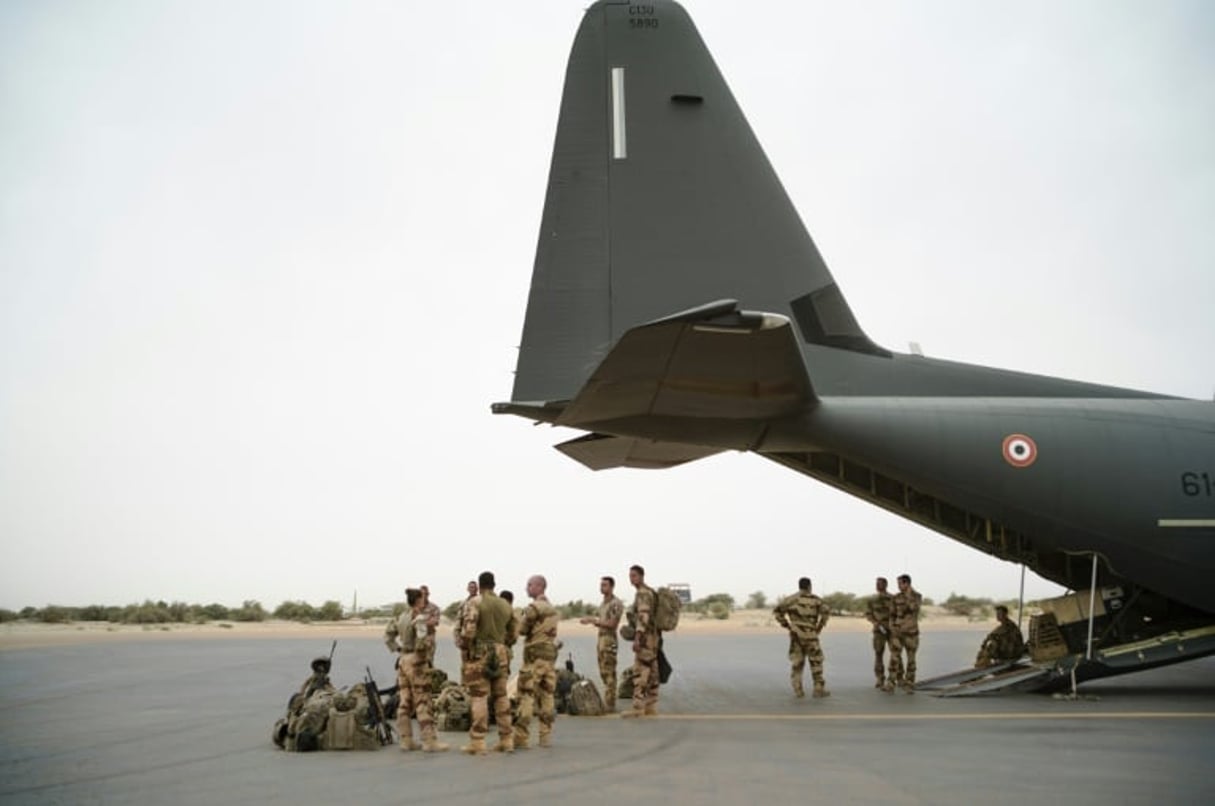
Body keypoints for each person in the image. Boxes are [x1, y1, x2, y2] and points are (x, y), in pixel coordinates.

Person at [457, 571, 517, 754]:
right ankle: (506, 739)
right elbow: (513, 634)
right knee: (501, 696)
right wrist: (501, 644)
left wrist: (466, 648)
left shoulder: (474, 603)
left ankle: (478, 742)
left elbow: (468, 631)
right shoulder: (505, 605)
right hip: (500, 653)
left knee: (479, 696)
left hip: (479, 653)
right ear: (494, 584)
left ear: (480, 585)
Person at [387, 588, 449, 752]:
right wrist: (423, 656)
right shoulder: (419, 618)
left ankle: (406, 740)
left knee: (405, 701)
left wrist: (398, 649)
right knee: (423, 700)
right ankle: (429, 741)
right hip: (416, 661)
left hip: (403, 660)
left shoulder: (401, 617)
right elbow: (422, 641)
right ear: (419, 601)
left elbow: (388, 635)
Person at [514, 575, 559, 749]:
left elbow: (523, 629)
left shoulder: (534, 608)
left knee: (526, 695)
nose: (527, 588)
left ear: (539, 587)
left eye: (529, 585)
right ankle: (545, 737)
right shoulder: (553, 609)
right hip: (549, 657)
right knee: (547, 696)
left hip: (534, 658)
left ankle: (521, 737)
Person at [772, 577, 831, 698]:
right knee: (816, 661)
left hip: (796, 635)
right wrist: (820, 626)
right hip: (811, 635)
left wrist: (787, 625)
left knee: (797, 662)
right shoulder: (816, 600)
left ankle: (798, 689)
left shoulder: (791, 599)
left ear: (799, 586)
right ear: (809, 586)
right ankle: (818, 688)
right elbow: (826, 612)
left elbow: (777, 611)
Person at [580, 575, 624, 712]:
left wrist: (594, 621)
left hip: (609, 639)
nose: (602, 587)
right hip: (601, 639)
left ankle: (610, 704)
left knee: (609, 671)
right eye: (601, 585)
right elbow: (601, 619)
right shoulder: (603, 603)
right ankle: (608, 700)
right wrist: (592, 619)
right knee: (603, 671)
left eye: (605, 585)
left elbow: (612, 624)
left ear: (611, 587)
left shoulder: (615, 603)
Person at [622, 564, 660, 717]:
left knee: (640, 671)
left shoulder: (643, 594)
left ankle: (638, 708)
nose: (631, 579)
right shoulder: (651, 592)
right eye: (630, 576)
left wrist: (638, 638)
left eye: (634, 575)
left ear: (641, 576)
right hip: (654, 639)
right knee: (653, 672)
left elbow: (643, 616)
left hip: (645, 638)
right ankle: (651, 707)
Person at [886, 573, 923, 693]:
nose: (898, 586)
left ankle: (909, 683)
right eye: (898, 584)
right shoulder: (896, 598)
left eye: (900, 584)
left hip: (911, 632)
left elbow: (913, 608)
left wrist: (908, 594)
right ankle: (891, 683)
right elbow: (891, 614)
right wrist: (892, 627)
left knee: (911, 660)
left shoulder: (916, 596)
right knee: (894, 658)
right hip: (897, 632)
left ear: (907, 583)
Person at [865, 577, 894, 689]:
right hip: (878, 631)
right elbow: (868, 614)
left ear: (885, 585)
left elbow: (896, 613)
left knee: (895, 654)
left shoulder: (892, 598)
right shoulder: (872, 599)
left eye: (880, 583)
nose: (877, 585)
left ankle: (894, 677)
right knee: (878, 655)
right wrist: (874, 622)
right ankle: (880, 678)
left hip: (891, 630)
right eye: (876, 583)